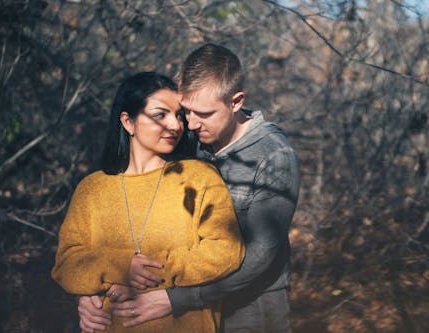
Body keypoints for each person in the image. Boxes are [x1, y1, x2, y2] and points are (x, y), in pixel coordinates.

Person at [80, 44, 300, 332]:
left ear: (236, 101)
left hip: (248, 311)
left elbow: (260, 254)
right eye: (186, 112)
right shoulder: (189, 139)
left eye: (204, 113)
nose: (191, 124)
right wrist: (92, 289)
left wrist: (175, 299)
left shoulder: (274, 156)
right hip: (186, 313)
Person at [52, 71, 245, 333]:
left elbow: (226, 250)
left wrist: (150, 273)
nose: (176, 126)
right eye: (160, 115)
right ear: (128, 122)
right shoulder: (92, 189)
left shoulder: (199, 177)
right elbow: (66, 264)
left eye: (179, 115)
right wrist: (118, 269)